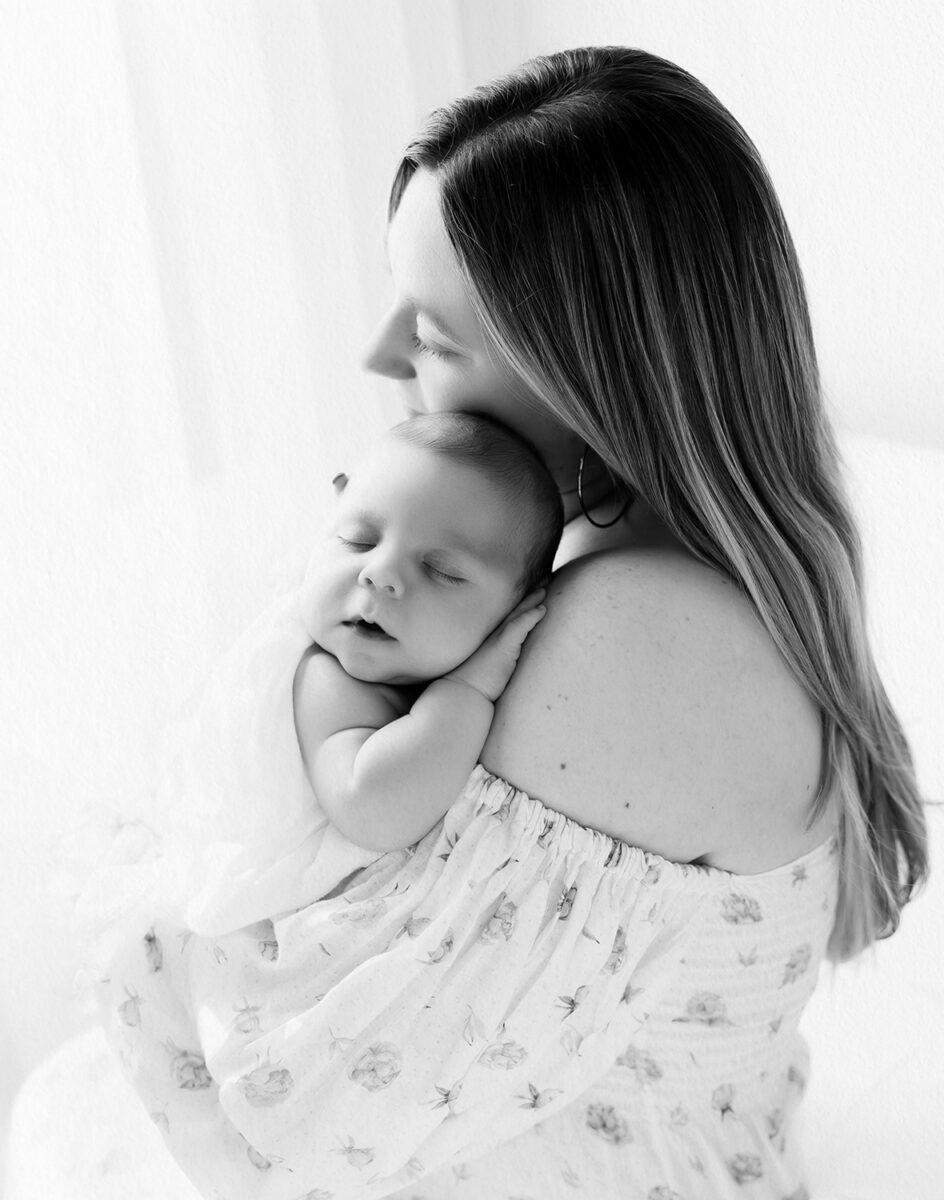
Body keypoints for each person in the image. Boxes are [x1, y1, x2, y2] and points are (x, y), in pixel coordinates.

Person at [88, 45, 927, 1200]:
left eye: (433, 334)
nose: (381, 356)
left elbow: (313, 1108)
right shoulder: (670, 572)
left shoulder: (631, 632)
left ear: (587, 369)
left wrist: (156, 899)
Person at [76, 410, 559, 959]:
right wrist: (466, 692)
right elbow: (374, 804)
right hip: (245, 934)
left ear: (517, 607)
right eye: (357, 539)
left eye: (442, 571)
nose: (378, 574)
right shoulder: (327, 678)